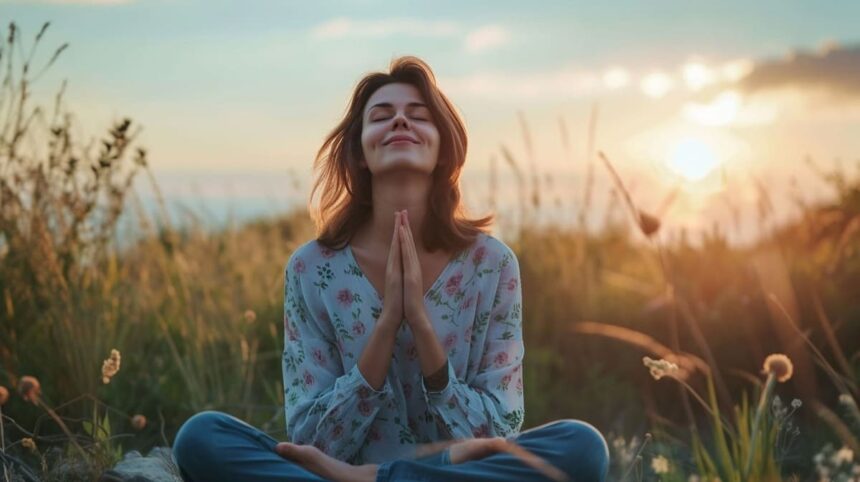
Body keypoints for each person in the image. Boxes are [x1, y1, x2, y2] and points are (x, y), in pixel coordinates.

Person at [172, 56, 609, 482]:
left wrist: (420, 324)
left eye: (418, 115)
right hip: (345, 471)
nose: (400, 121)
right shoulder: (312, 268)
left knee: (581, 446)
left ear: (442, 148)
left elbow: (496, 435)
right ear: (360, 152)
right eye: (381, 116)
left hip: (406, 476)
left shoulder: (491, 264)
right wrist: (386, 326)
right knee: (202, 436)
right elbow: (312, 440)